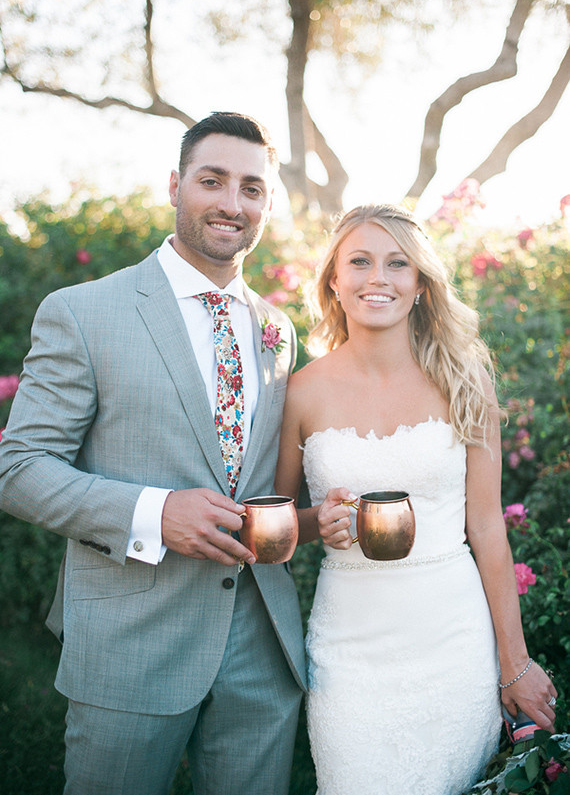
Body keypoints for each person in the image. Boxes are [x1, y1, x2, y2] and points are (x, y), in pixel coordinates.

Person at [0, 112, 306, 795]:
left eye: (252, 187)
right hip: (130, 638)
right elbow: (18, 469)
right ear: (175, 186)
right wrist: (154, 511)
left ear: (267, 203)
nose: (232, 202)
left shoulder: (277, 330)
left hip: (260, 644)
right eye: (213, 180)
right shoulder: (84, 311)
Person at [275, 204, 557, 795]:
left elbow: (486, 526)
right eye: (360, 261)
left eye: (398, 263)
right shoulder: (300, 391)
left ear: (421, 284)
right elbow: (275, 527)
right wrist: (315, 521)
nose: (378, 277)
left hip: (452, 640)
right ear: (333, 279)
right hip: (350, 646)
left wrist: (516, 662)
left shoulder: (464, 379)